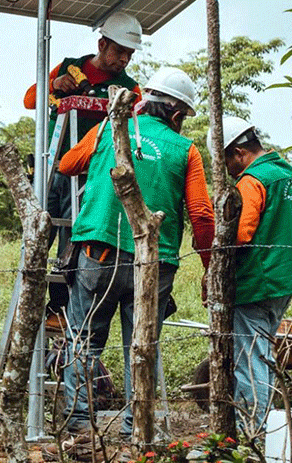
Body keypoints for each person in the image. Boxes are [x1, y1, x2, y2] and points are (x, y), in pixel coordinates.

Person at [55, 67, 214, 439]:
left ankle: (79, 428)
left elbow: (67, 164)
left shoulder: (107, 129)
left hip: (99, 251)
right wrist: (209, 267)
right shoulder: (186, 150)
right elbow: (202, 214)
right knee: (141, 347)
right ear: (177, 114)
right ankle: (135, 432)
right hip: (155, 262)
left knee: (84, 341)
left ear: (145, 101)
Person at [22, 12, 144, 331]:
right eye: (120, 51)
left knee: (72, 242)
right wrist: (55, 84)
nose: (124, 59)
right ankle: (27, 303)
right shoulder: (69, 67)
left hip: (89, 176)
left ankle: (59, 308)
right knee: (37, 236)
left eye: (129, 54)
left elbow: (141, 127)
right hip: (51, 168)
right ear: (102, 44)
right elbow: (29, 99)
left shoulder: (130, 89)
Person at [208, 116, 292, 434]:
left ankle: (253, 431)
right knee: (263, 351)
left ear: (238, 152)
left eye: (226, 160)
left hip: (258, 281)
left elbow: (240, 235)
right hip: (287, 278)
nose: (228, 169)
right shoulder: (288, 173)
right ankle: (265, 423)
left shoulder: (251, 182)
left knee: (250, 357)